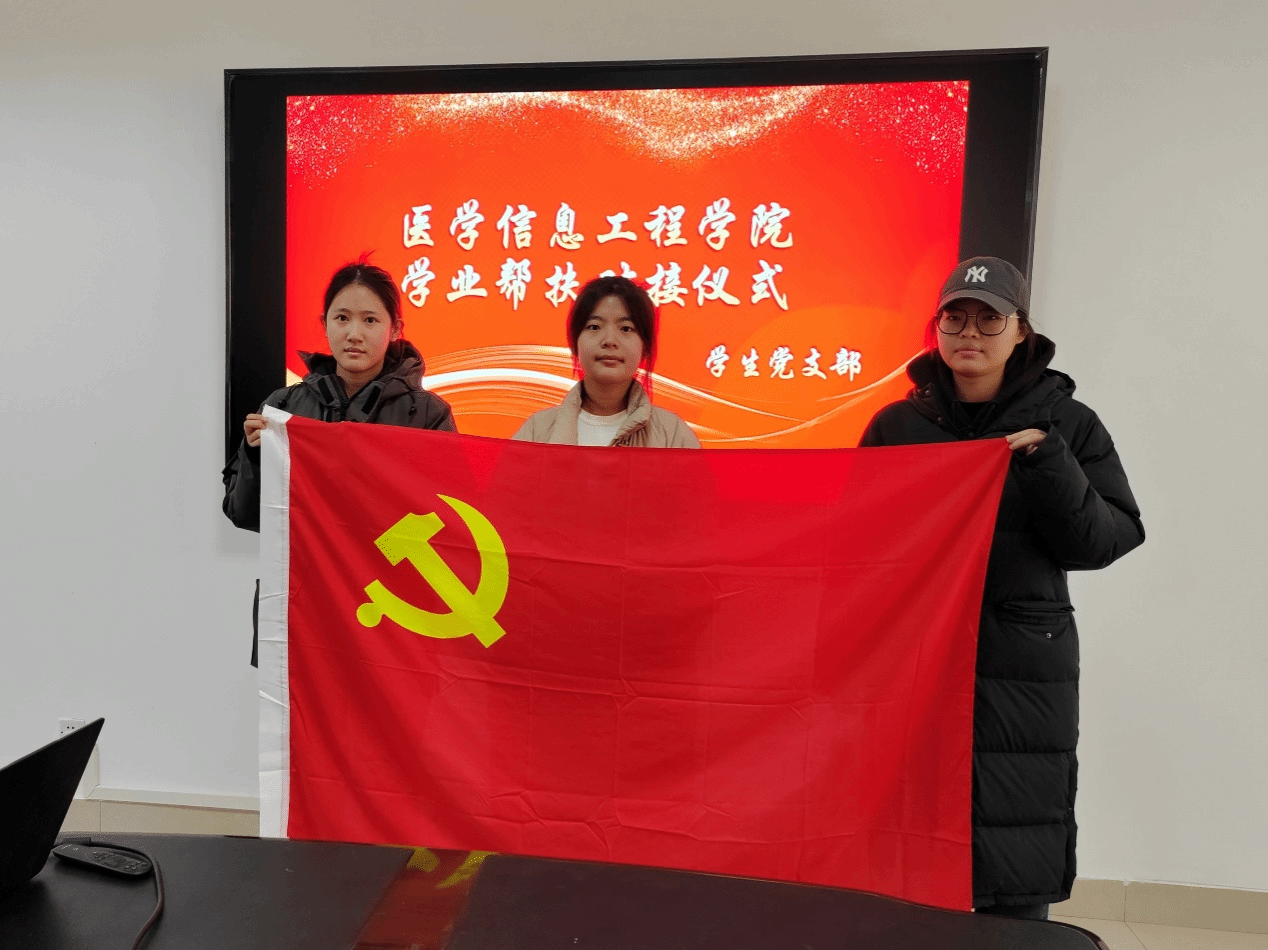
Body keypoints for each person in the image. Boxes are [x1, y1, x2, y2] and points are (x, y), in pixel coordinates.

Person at [858, 256, 1144, 919]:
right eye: (955, 318)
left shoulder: (1068, 425)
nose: (970, 333)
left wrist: (1048, 461)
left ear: (1021, 330)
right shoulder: (896, 427)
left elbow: (1106, 540)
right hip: (915, 658)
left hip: (1021, 658)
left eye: (989, 320)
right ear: (935, 328)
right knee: (906, 843)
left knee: (1011, 838)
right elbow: (855, 545)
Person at [222, 258, 457, 662]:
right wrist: (255, 456)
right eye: (342, 318)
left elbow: (450, 519)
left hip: (389, 606)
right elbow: (243, 514)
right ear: (324, 323)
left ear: (395, 329)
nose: (354, 334)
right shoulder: (283, 407)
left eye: (370, 320)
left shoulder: (427, 415)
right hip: (299, 603)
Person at [513, 275, 699, 448]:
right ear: (575, 343)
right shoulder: (537, 431)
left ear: (645, 347)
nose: (609, 340)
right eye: (594, 327)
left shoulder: (673, 435)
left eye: (626, 328)